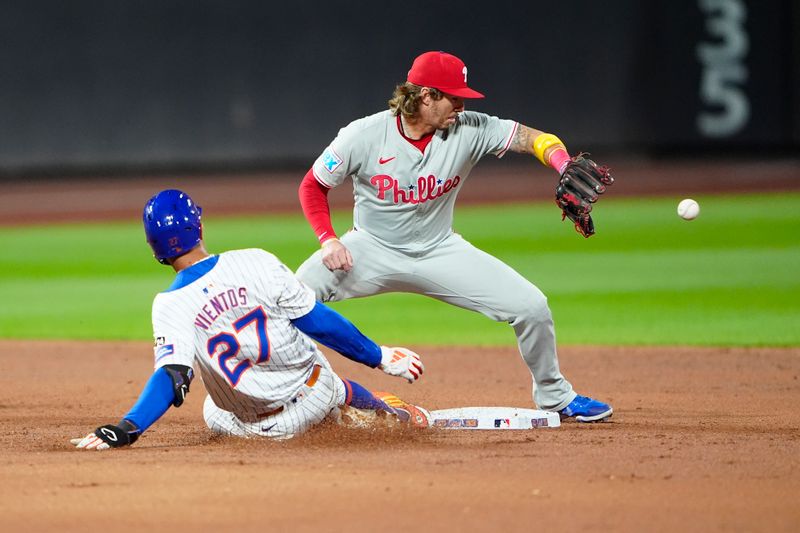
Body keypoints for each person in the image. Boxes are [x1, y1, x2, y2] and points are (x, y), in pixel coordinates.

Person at [296, 51, 613, 422]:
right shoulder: (363, 135)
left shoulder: (471, 128)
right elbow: (312, 185)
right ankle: (298, 392)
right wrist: (328, 239)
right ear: (425, 96)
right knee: (293, 296)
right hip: (369, 250)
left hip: (439, 250)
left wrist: (561, 163)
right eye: (454, 97)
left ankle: (555, 395)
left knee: (532, 307)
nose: (461, 106)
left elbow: (534, 138)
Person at [72, 189, 429, 450]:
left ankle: (337, 411)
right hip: (314, 395)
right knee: (322, 367)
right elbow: (318, 322)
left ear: (155, 249)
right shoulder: (256, 260)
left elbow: (173, 377)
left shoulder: (169, 304)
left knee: (213, 406)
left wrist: (127, 428)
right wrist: (379, 356)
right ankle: (387, 414)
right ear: (199, 227)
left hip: (255, 429)